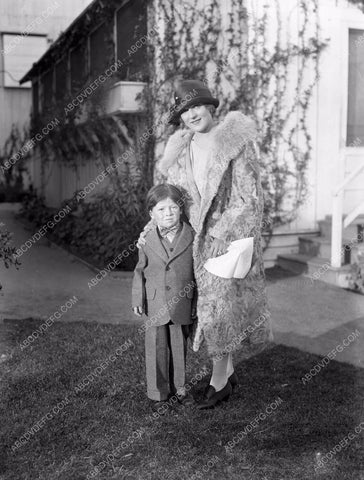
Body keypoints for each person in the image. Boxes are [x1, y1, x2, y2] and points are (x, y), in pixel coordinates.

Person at [156, 79, 272, 409]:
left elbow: (250, 197)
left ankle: (218, 382)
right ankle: (229, 371)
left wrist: (222, 236)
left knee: (219, 311)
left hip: (229, 241)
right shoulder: (179, 152)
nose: (191, 114)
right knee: (207, 310)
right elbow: (171, 199)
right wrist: (155, 229)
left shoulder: (236, 142)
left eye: (196, 106)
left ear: (210, 106)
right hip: (195, 243)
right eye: (184, 110)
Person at [132, 184, 197, 411]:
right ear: (151, 214)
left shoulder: (192, 237)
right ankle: (158, 394)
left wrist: (196, 301)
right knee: (157, 348)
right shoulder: (146, 239)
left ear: (181, 210)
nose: (168, 213)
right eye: (161, 209)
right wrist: (137, 299)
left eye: (173, 208)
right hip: (156, 302)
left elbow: (197, 272)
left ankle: (180, 389)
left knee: (179, 349)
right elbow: (140, 270)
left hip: (182, 302)